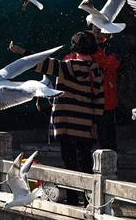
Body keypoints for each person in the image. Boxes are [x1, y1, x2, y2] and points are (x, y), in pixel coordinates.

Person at [34, 31, 104, 205]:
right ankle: (90, 200)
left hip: (65, 123)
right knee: (86, 161)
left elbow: (40, 64)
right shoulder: (96, 70)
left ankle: (73, 198)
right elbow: (100, 100)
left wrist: (22, 53)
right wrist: (95, 122)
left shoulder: (67, 66)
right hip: (86, 124)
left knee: (70, 161)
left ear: (75, 48)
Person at [89, 26, 122, 151]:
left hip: (107, 103)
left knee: (108, 141)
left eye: (100, 30)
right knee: (86, 141)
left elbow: (111, 65)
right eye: (95, 31)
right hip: (87, 102)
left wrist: (94, 51)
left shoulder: (113, 47)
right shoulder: (84, 47)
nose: (97, 34)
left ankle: (112, 168)